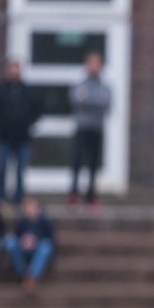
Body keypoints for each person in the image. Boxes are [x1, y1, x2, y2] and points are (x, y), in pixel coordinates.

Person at [0, 59, 43, 204]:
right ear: (7, 70)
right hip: (4, 137)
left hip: (23, 137)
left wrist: (27, 123)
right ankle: (0, 197)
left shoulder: (28, 90)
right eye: (11, 68)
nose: (14, 71)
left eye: (16, 68)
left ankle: (19, 198)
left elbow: (37, 110)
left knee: (20, 170)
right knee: (2, 168)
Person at [68, 51, 112, 208]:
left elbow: (105, 103)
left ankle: (91, 196)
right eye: (91, 63)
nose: (93, 67)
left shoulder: (105, 87)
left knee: (93, 164)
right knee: (77, 161)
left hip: (96, 129)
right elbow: (75, 99)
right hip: (82, 128)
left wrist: (86, 99)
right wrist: (92, 100)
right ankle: (73, 193)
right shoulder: (80, 85)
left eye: (97, 64)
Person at [5, 195, 55, 296]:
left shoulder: (45, 223)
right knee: (9, 241)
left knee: (45, 246)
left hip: (37, 250)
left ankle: (31, 276)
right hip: (23, 251)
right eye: (27, 208)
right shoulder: (21, 223)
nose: (29, 210)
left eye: (32, 208)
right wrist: (22, 241)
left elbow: (51, 239)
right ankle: (26, 275)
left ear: (38, 209)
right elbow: (16, 236)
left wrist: (35, 241)